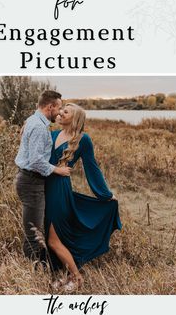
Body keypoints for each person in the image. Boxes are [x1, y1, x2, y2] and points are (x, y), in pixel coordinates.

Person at [45, 103, 122, 291]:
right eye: (61, 110)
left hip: (59, 190)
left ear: (76, 118)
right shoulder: (52, 134)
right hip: (44, 189)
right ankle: (64, 276)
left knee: (53, 240)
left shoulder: (83, 139)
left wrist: (105, 194)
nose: (60, 112)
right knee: (54, 236)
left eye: (66, 111)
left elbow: (92, 168)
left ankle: (77, 278)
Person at [15, 90, 71, 261]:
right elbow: (36, 161)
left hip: (29, 180)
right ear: (50, 106)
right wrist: (58, 170)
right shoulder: (39, 126)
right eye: (59, 108)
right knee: (34, 233)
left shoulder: (34, 120)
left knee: (35, 229)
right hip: (31, 182)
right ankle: (32, 275)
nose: (60, 112)